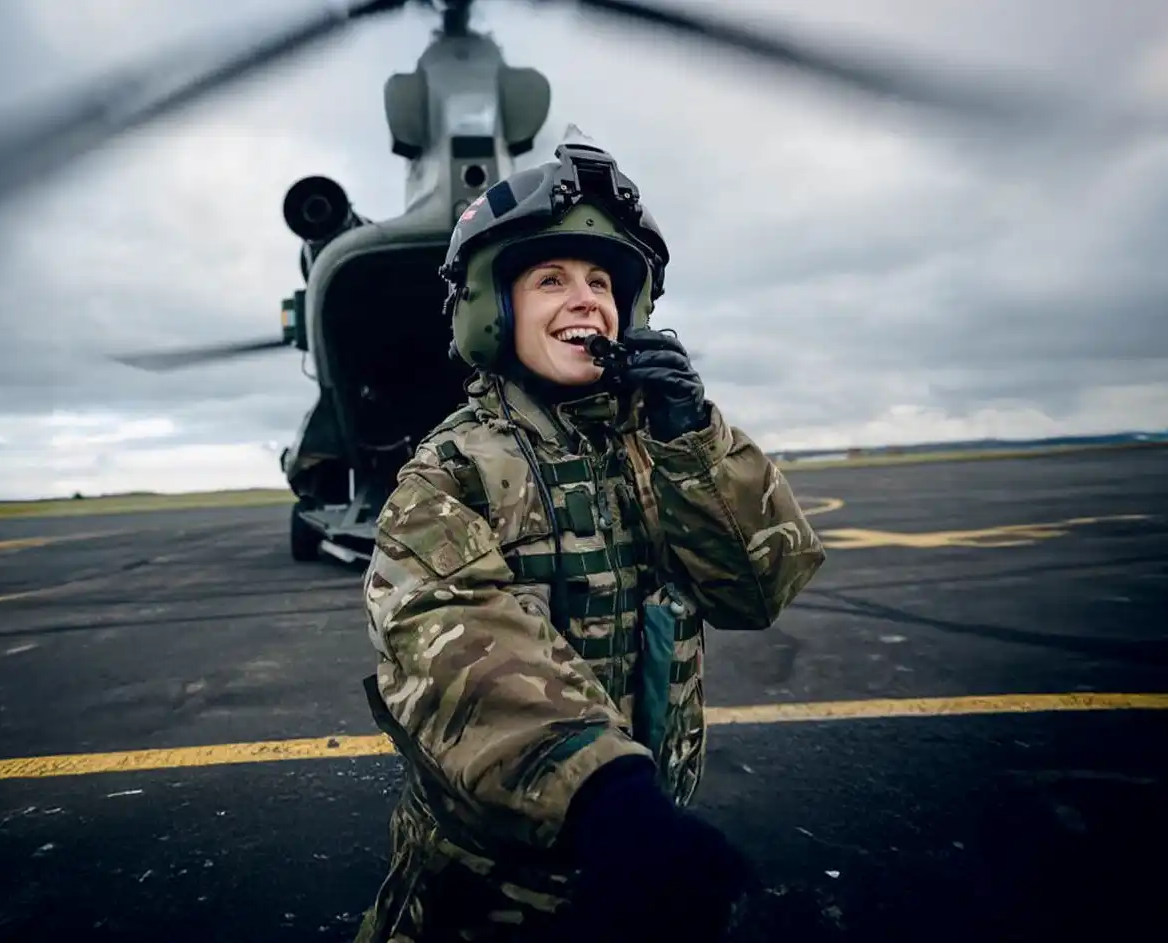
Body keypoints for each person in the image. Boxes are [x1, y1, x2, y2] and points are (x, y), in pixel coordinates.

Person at [353, 138, 826, 943]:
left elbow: (758, 588)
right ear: (491, 309)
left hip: (643, 863)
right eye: (551, 279)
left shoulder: (659, 448)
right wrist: (609, 799)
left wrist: (694, 440)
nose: (585, 299)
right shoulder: (447, 472)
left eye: (602, 282)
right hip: (486, 899)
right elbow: (453, 637)